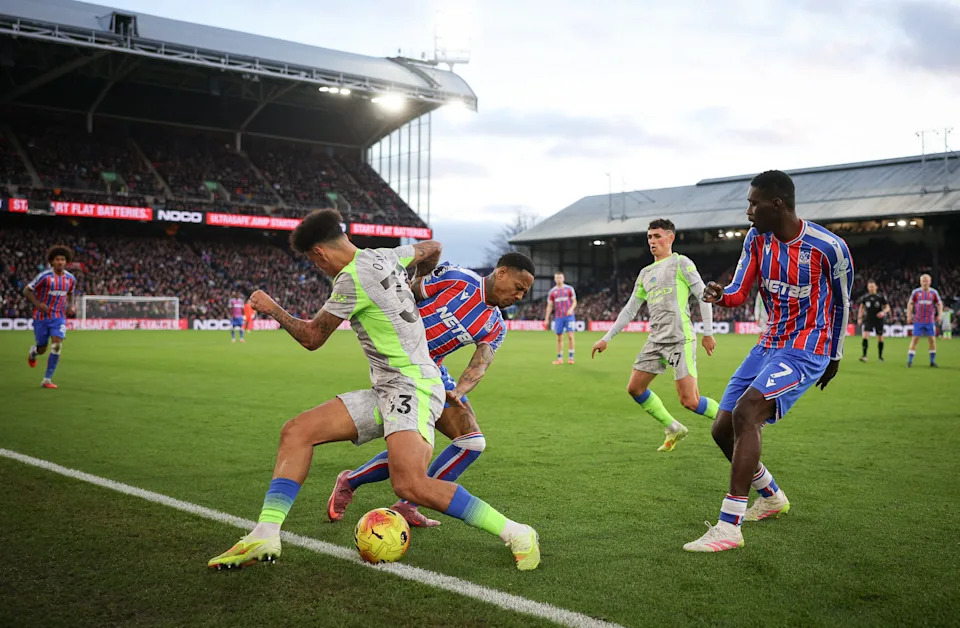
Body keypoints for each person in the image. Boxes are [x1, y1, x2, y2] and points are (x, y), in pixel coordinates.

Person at [208, 210, 540, 571]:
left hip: (412, 386)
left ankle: (517, 532)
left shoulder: (351, 280)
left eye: (314, 261)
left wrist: (271, 307)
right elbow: (432, 247)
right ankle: (265, 533)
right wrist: (416, 283)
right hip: (390, 386)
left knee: (411, 484)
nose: (318, 267)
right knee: (297, 431)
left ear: (319, 253)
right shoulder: (385, 255)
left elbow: (312, 337)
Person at [686, 170, 853, 553]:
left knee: (748, 413)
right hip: (769, 343)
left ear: (777, 204)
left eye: (753, 203)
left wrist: (835, 354)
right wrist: (720, 295)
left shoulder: (829, 248)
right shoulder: (757, 239)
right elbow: (739, 290)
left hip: (808, 347)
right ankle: (772, 496)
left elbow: (843, 304)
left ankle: (729, 526)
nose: (748, 211)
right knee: (721, 429)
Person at [327, 253, 535, 527]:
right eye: (519, 287)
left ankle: (407, 505)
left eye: (524, 293)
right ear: (502, 272)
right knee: (414, 449)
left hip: (433, 372)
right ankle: (351, 481)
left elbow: (480, 364)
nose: (519, 296)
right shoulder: (457, 279)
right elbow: (407, 292)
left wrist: (458, 391)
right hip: (401, 367)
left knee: (471, 443)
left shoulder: (495, 325)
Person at [591, 218, 719, 452]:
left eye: (657, 236)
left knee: (690, 401)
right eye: (649, 237)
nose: (652, 241)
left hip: (680, 339)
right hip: (656, 340)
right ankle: (674, 427)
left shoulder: (681, 263)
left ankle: (734, 420)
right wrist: (606, 338)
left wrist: (708, 333)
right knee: (635, 388)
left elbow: (704, 296)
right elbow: (630, 309)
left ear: (670, 238)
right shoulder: (645, 273)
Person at [24, 245, 77, 389]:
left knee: (57, 345)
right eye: (57, 259)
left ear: (66, 262)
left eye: (63, 259)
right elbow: (27, 290)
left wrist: (71, 306)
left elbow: (71, 293)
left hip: (58, 317)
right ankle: (33, 352)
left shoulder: (70, 278)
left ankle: (47, 379)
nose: (60, 262)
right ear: (52, 261)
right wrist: (38, 304)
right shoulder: (45, 277)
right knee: (42, 348)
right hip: (41, 317)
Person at [906, 274, 942, 367]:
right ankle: (909, 361)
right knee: (915, 340)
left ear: (930, 282)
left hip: (930, 321)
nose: (925, 283)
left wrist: (940, 315)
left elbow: (939, 304)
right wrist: (909, 315)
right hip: (918, 321)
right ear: (920, 282)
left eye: (927, 281)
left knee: (932, 340)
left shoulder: (934, 293)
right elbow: (910, 303)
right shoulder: (916, 292)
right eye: (923, 281)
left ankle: (932, 361)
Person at [544, 272, 577, 364]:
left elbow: (574, 301)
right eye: (557, 278)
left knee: (570, 336)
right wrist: (546, 318)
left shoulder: (569, 289)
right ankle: (559, 358)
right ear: (555, 279)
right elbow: (549, 306)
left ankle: (571, 357)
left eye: (560, 277)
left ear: (563, 278)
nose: (559, 279)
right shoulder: (552, 292)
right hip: (558, 317)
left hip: (569, 316)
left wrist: (571, 309)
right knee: (559, 338)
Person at [857, 280, 890, 362]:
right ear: (868, 288)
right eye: (869, 287)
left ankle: (880, 357)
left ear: (876, 287)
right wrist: (859, 318)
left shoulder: (880, 297)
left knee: (880, 338)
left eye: (872, 286)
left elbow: (887, 308)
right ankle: (864, 356)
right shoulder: (865, 297)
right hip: (868, 319)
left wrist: (883, 312)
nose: (871, 288)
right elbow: (861, 308)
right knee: (865, 336)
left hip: (878, 320)